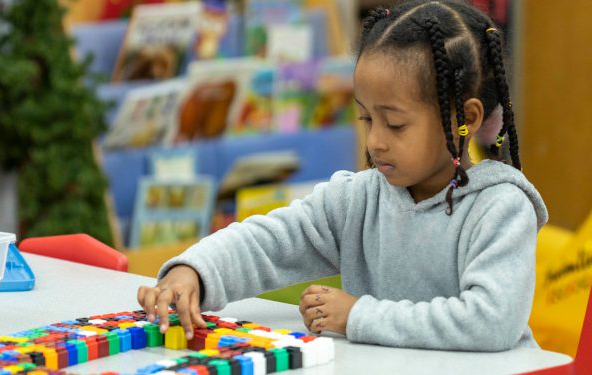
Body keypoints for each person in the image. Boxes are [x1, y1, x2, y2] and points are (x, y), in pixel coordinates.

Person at [137, 0, 548, 351]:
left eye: (395, 124)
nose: (375, 142)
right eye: (367, 118)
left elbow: (490, 322)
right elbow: (269, 242)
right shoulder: (359, 199)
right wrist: (193, 271)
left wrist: (357, 316)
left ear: (466, 119)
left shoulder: (502, 208)